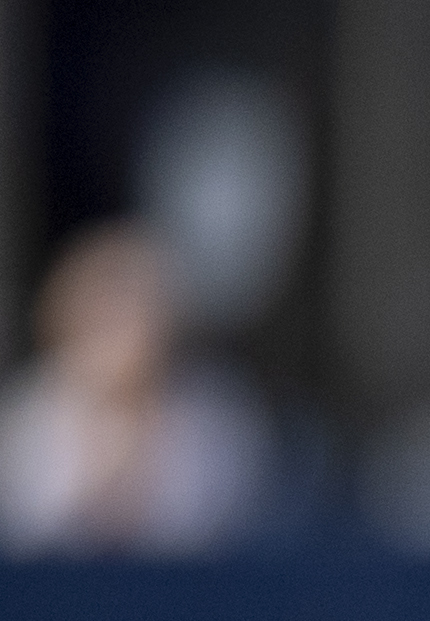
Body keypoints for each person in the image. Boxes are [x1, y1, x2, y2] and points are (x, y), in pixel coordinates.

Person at [0, 220, 264, 554]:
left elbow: (220, 533)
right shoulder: (29, 412)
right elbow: (27, 533)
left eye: (134, 311)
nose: (122, 332)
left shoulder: (215, 414)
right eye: (103, 313)